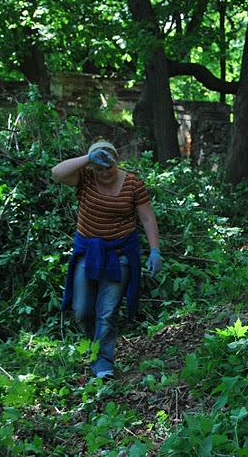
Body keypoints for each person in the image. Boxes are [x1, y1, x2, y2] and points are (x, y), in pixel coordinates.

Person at [52, 141, 162, 379]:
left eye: (108, 168)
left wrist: (155, 250)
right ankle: (95, 346)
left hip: (119, 254)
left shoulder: (133, 184)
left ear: (117, 163)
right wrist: (88, 158)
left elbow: (148, 219)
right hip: (87, 254)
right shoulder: (85, 178)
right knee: (81, 311)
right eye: (99, 168)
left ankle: (103, 362)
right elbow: (57, 173)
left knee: (107, 311)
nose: (104, 173)